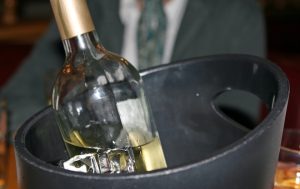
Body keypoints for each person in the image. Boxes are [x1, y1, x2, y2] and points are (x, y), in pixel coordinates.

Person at [0, 0, 266, 132]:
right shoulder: (85, 11)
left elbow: (236, 129)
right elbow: (11, 104)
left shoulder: (236, 15)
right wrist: (86, 135)